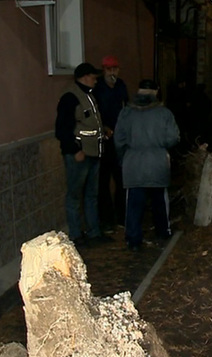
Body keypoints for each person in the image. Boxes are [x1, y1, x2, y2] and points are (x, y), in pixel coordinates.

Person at [114, 79, 180, 252]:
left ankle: (133, 239)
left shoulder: (126, 113)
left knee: (134, 203)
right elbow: (173, 138)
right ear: (156, 92)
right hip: (157, 161)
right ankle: (163, 232)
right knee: (159, 200)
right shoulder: (164, 113)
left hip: (133, 161)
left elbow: (118, 140)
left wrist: (124, 158)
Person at [55, 62, 111, 247]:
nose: (96, 81)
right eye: (94, 77)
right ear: (85, 77)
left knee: (90, 194)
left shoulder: (89, 95)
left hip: (93, 152)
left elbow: (88, 122)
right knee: (74, 195)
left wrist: (103, 130)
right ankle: (76, 235)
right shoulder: (71, 97)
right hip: (80, 155)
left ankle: (94, 232)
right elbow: (62, 129)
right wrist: (74, 150)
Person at [93, 55, 129, 231]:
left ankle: (122, 216)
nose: (112, 72)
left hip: (119, 138)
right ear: (104, 70)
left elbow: (126, 107)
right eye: (109, 69)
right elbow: (95, 111)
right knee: (103, 180)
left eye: (115, 68)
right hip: (104, 138)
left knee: (121, 178)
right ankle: (106, 218)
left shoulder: (120, 85)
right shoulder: (98, 87)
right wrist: (103, 127)